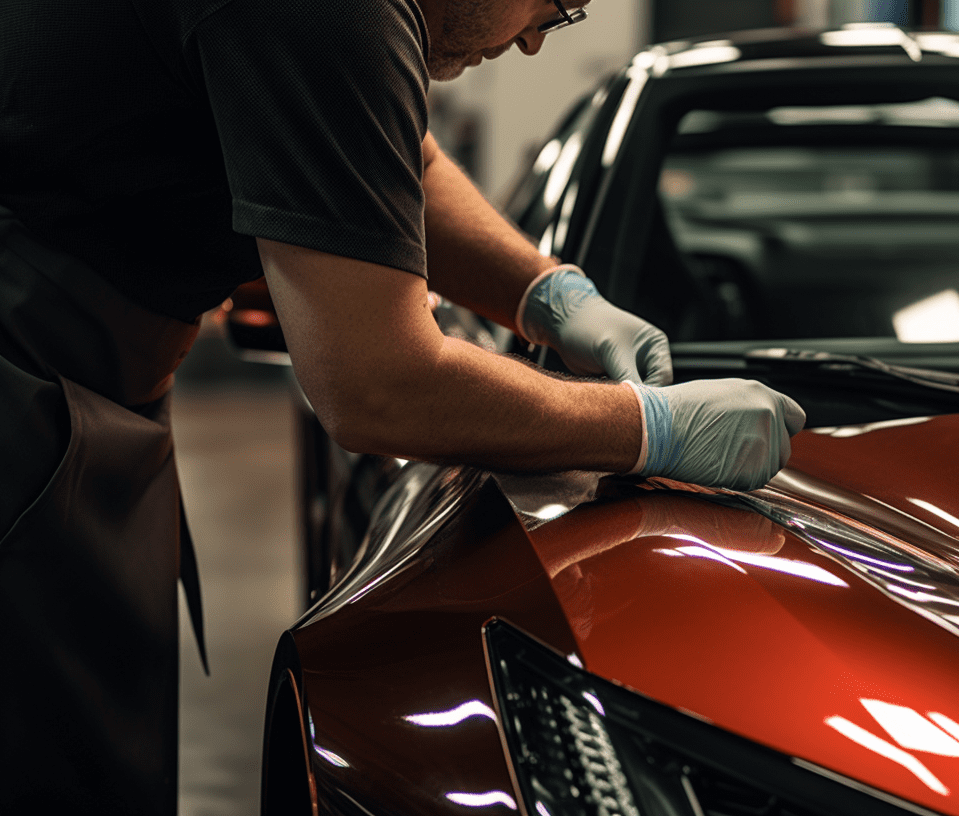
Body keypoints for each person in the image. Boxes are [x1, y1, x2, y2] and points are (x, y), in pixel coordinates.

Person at [0, 0, 804, 812]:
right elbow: (376, 386)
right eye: (551, 7)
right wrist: (647, 429)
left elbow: (390, 159)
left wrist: (545, 294)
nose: (531, 41)